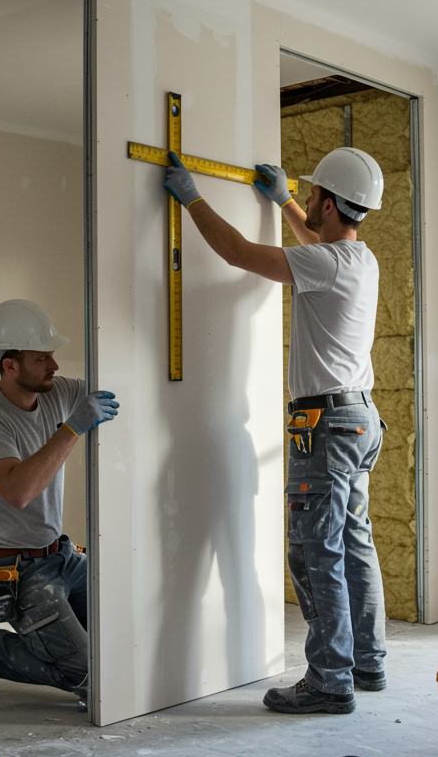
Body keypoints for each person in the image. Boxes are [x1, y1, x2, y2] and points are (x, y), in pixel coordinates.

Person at [164, 148, 387, 715]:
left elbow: (238, 253)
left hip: (326, 426)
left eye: (313, 195)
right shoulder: (360, 260)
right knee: (353, 545)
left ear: (332, 203)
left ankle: (329, 681)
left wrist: (192, 198)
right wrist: (286, 201)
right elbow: (316, 250)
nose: (308, 200)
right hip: (360, 419)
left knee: (316, 553)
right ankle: (366, 663)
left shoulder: (328, 263)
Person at [0, 298, 118, 702]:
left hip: (59, 556)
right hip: (14, 568)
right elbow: (18, 492)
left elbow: (113, 389)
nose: (55, 367)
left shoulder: (57, 392)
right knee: (85, 678)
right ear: (10, 365)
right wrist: (73, 427)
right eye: (43, 358)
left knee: (119, 650)